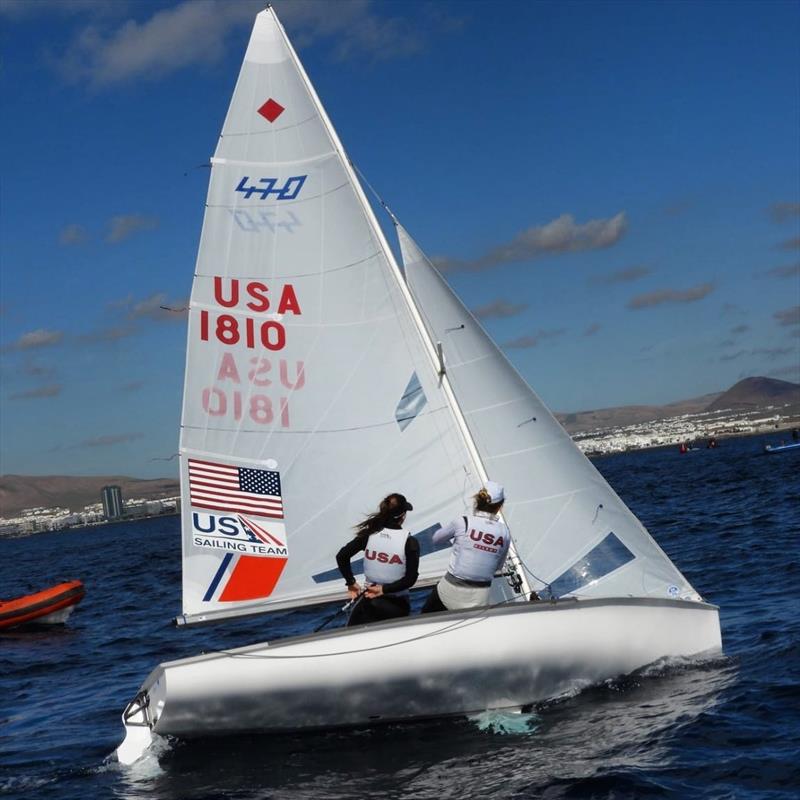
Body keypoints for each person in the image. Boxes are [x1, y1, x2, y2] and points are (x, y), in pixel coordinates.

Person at [420, 480, 510, 614]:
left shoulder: (462, 522)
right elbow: (498, 567)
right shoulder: (504, 532)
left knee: (425, 622)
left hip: (449, 593)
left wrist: (458, 539)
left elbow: (436, 539)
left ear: (477, 500)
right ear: (499, 507)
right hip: (478, 599)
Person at [335, 493, 419, 626]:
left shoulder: (370, 535)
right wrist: (383, 590)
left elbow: (341, 556)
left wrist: (351, 583)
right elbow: (410, 579)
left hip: (366, 602)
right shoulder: (410, 542)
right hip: (396, 606)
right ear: (403, 516)